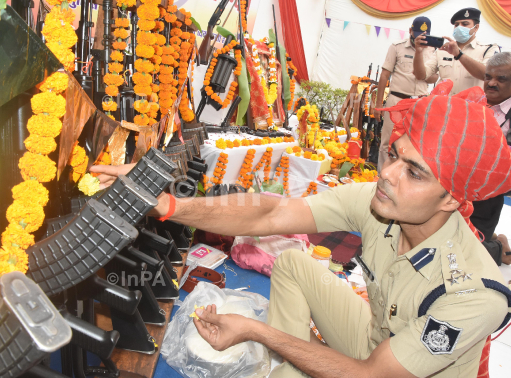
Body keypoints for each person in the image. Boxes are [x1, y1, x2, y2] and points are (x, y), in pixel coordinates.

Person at [91, 81, 511, 377]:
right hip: (374, 336)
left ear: (453, 200)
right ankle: (284, 371)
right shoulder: (379, 203)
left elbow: (373, 374)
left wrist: (258, 332)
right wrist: (169, 204)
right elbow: (268, 215)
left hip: (389, 371)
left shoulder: (475, 292)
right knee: (292, 262)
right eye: (395, 155)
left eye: (415, 173)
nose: (388, 175)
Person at [375, 16, 438, 172]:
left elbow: (434, 78)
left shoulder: (434, 51)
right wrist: (377, 105)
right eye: (417, 33)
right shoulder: (397, 47)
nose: (420, 37)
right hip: (397, 101)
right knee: (388, 142)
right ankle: (381, 176)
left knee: (413, 144)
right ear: (410, 31)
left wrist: (421, 68)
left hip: (420, 104)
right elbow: (384, 75)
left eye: (424, 34)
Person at [471, 52, 511, 265]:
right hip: (458, 187)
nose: (491, 83)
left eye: (501, 79)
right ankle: (491, 238)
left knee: (467, 255)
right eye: (488, 77)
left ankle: (500, 250)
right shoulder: (473, 103)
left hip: (489, 194)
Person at [413, 7, 499, 96]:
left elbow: (486, 75)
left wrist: (459, 54)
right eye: (456, 25)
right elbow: (421, 76)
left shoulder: (488, 49)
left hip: (470, 107)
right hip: (443, 106)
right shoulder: (443, 50)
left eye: (465, 24)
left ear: (476, 27)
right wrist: (418, 52)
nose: (459, 27)